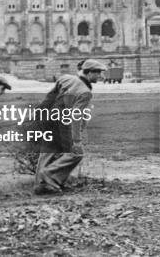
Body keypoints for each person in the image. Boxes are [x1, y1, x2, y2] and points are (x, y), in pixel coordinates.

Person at [33, 59, 106, 195]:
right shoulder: (85, 92)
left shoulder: (65, 78)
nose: (100, 77)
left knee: (48, 151)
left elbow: (50, 97)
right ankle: (49, 177)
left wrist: (39, 113)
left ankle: (40, 186)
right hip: (62, 123)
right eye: (98, 73)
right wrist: (77, 140)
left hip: (48, 118)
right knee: (76, 153)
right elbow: (76, 116)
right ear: (89, 73)